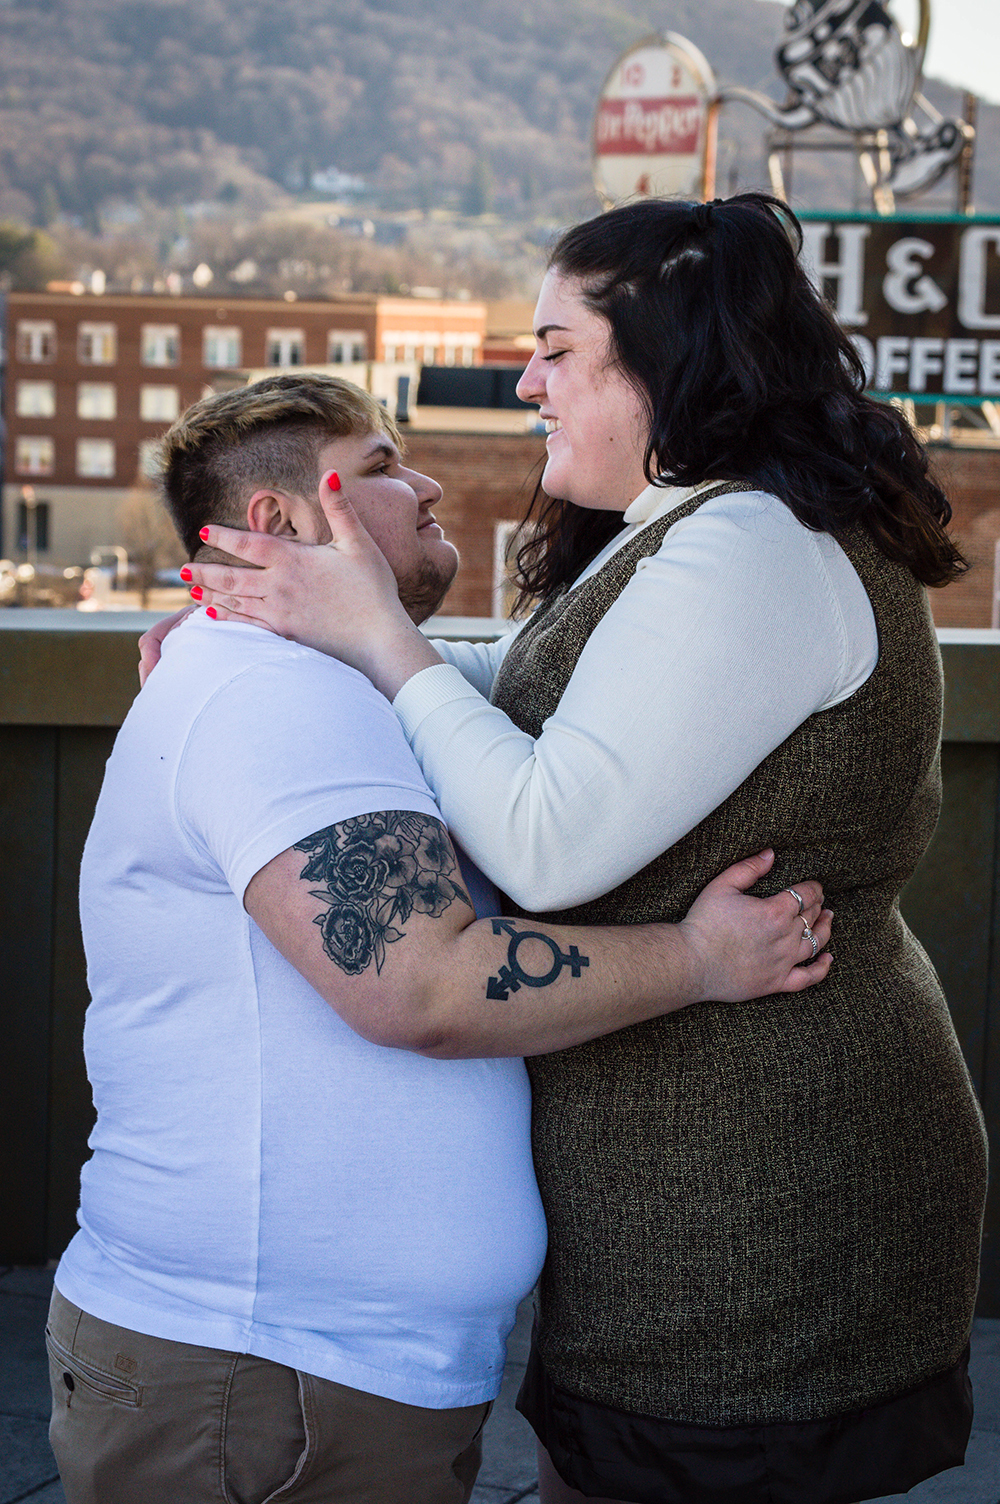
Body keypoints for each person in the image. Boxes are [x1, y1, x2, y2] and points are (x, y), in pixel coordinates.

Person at [178, 195, 989, 1504]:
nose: (524, 379)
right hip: (691, 1191)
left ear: (660, 361)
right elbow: (530, 690)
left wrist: (381, 635)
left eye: (558, 348)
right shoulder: (705, 528)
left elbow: (545, 843)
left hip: (757, 1202)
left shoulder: (751, 546)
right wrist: (280, 626)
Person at [55, 372, 831, 1504]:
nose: (424, 485)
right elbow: (418, 983)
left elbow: (522, 694)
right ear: (277, 522)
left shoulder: (339, 682)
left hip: (324, 1381)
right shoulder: (270, 695)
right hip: (258, 1381)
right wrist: (701, 959)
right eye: (379, 467)